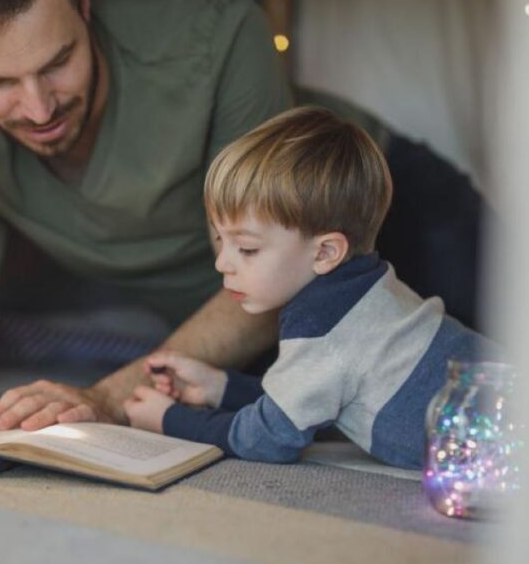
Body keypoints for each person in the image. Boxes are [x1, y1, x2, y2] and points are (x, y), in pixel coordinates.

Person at [0, 0, 292, 429]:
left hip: (371, 218)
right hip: (238, 351)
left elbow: (274, 283)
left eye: (58, 62)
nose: (38, 111)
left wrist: (106, 398)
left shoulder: (217, 34)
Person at [122, 107, 495, 468]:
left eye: (247, 248)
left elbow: (267, 438)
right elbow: (312, 402)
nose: (222, 263)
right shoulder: (366, 288)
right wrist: (218, 386)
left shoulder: (322, 328)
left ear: (326, 252)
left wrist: (170, 420)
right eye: (221, 241)